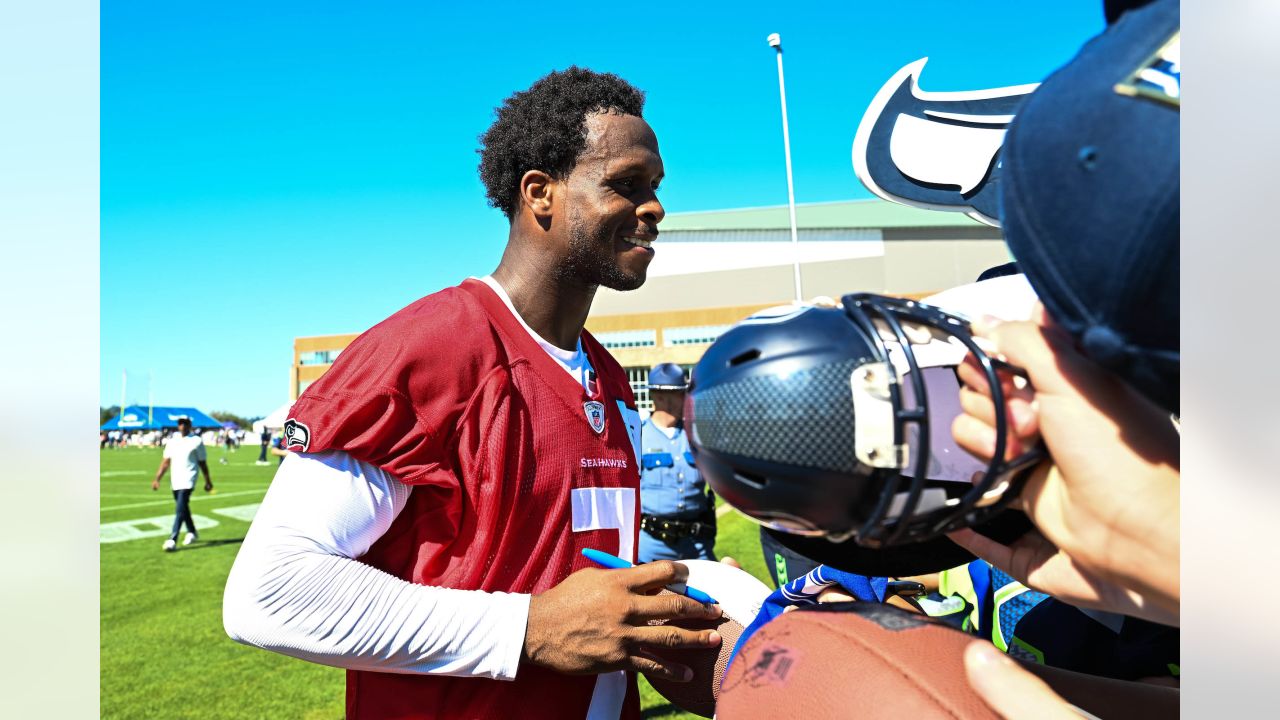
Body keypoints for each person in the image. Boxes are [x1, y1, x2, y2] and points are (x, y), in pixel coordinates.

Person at [223, 67, 723, 720]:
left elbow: (575, 579)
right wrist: (528, 628)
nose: (654, 208)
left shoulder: (603, 372)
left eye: (655, 188)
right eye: (627, 185)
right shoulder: (428, 351)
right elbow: (269, 592)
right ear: (541, 193)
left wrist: (682, 596)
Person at [637, 363, 717, 563]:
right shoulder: (638, 435)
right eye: (679, 394)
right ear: (659, 396)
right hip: (652, 546)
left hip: (697, 543)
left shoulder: (697, 435)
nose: (684, 399)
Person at [152, 416, 213, 551]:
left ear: (190, 425)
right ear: (178, 426)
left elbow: (203, 463)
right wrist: (157, 479)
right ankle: (192, 531)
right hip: (176, 479)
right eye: (180, 423)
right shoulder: (172, 442)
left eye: (185, 423)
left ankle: (172, 539)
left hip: (189, 479)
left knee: (179, 508)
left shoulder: (196, 441)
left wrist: (208, 481)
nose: (183, 426)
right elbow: (166, 462)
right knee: (183, 508)